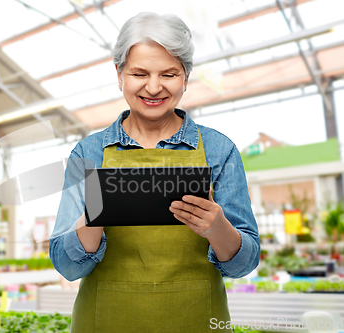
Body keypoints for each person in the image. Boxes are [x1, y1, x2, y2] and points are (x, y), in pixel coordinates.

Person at [49, 12, 260, 333]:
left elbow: (244, 265)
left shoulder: (219, 150)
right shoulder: (88, 154)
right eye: (138, 73)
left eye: (169, 73)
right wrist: (94, 218)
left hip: (196, 320)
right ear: (119, 74)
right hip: (105, 321)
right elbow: (66, 267)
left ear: (186, 78)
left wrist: (218, 228)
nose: (153, 86)